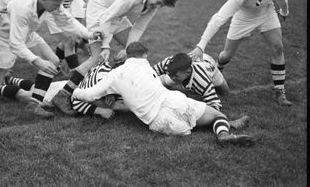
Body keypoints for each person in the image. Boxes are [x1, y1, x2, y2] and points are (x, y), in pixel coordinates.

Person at [0, 0, 102, 119]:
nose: (57, 8)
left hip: (27, 34)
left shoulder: (51, 1)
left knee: (54, 62)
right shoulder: (23, 8)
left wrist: (89, 34)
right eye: (55, 5)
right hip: (3, 39)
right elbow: (16, 44)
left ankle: (34, 104)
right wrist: (38, 61)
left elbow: (67, 21)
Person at [72, 42, 255, 146]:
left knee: (191, 125)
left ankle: (225, 128)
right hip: (172, 101)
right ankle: (223, 132)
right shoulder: (145, 65)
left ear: (128, 57)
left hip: (159, 122)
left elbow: (88, 95)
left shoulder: (113, 76)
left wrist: (74, 91)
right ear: (144, 55)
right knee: (215, 115)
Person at [51, 0, 179, 116]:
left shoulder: (153, 4)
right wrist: (105, 46)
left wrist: (127, 49)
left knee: (136, 51)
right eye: (158, 2)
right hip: (99, 10)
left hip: (115, 14)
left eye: (161, 5)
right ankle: (63, 94)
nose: (157, 6)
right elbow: (106, 17)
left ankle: (131, 90)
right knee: (95, 57)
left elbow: (139, 27)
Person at [189, 0, 292, 106]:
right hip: (243, 19)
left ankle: (280, 91)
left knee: (278, 48)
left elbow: (282, 0)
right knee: (226, 55)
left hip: (267, 14)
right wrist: (201, 46)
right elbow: (219, 18)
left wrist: (285, 12)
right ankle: (218, 69)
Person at [153, 52, 230, 111]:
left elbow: (215, 104)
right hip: (192, 65)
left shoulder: (201, 80)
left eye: (175, 76)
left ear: (188, 72)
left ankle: (219, 66)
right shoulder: (169, 62)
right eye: (169, 73)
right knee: (164, 81)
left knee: (224, 93)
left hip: (210, 67)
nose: (171, 77)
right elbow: (151, 72)